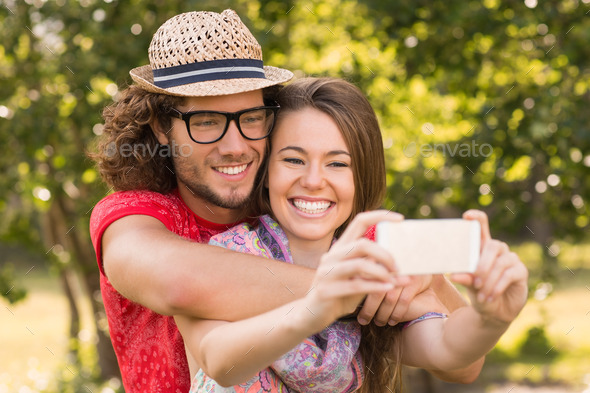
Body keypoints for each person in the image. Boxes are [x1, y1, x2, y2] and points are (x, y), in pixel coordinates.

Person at [89, 10, 484, 392]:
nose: (235, 146)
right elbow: (179, 283)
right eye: (206, 121)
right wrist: (359, 288)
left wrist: (428, 276)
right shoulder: (134, 216)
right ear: (162, 127)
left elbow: (464, 366)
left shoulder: (306, 212)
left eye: (251, 118)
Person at [175, 77, 529, 393]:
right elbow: (219, 361)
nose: (314, 180)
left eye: (337, 163)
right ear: (266, 172)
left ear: (361, 178)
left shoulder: (374, 261)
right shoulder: (225, 255)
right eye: (294, 160)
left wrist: (491, 318)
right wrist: (317, 306)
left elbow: (447, 348)